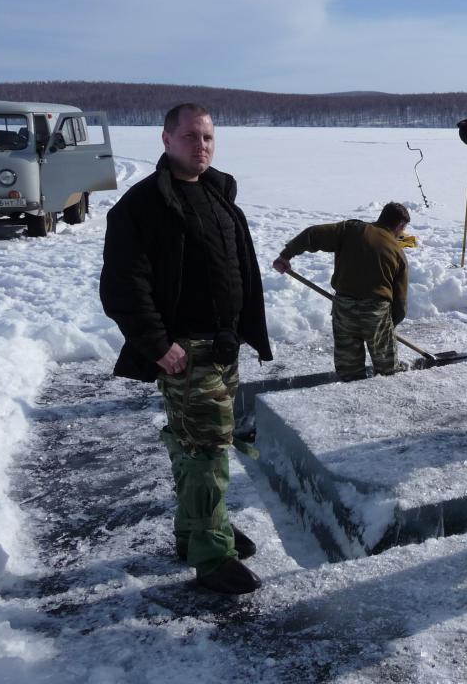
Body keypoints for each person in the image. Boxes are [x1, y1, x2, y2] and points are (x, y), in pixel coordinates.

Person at [100, 103, 272, 595]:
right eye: (192, 137)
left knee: (194, 445)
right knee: (207, 453)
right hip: (185, 351)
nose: (202, 146)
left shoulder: (217, 193)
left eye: (209, 138)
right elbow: (123, 287)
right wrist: (157, 344)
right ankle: (211, 554)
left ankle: (194, 530)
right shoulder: (142, 206)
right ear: (166, 140)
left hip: (221, 346)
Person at [273, 203, 410, 381]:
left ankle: (351, 389)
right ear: (400, 225)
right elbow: (400, 303)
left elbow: (313, 234)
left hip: (344, 309)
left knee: (349, 369)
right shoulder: (398, 252)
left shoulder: (351, 230)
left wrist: (286, 255)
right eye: (403, 229)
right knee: (387, 370)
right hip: (376, 312)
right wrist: (389, 326)